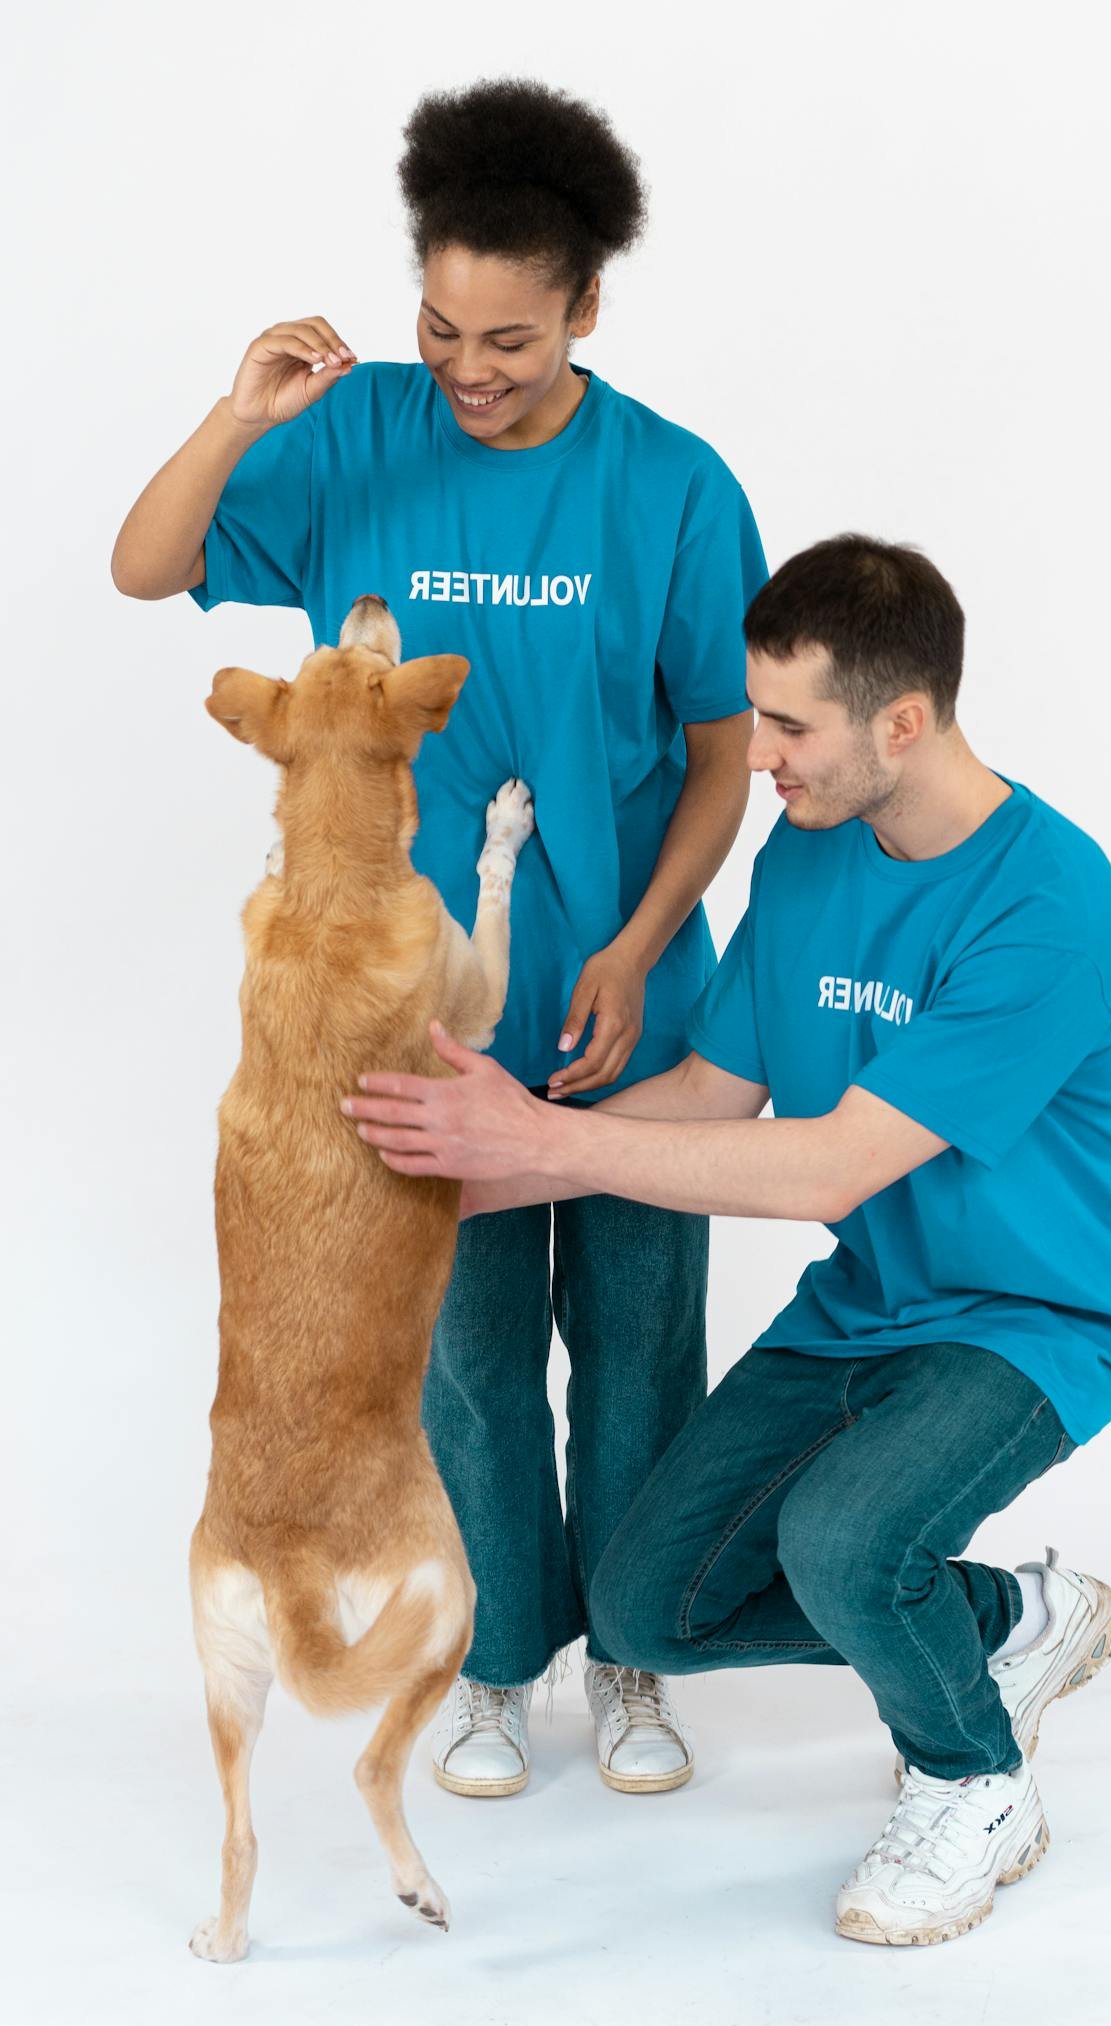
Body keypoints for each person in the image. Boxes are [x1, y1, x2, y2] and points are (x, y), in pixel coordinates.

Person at [344, 534, 1111, 1946]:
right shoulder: (808, 847)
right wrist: (475, 1173)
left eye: (786, 726)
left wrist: (541, 1142)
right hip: (866, 1306)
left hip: (1028, 1322)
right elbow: (714, 1094)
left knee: (843, 1543)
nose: (754, 757)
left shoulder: (1053, 907)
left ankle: (973, 1778)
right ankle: (1008, 1622)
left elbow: (828, 1164)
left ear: (898, 725)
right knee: (650, 1602)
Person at [111, 79, 766, 1800]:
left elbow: (717, 752)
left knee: (635, 1351)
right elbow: (143, 563)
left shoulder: (675, 488)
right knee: (466, 1366)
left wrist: (636, 943)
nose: (471, 370)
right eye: (441, 327)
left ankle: (632, 1655)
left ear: (586, 312)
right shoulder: (352, 437)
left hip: (630, 1021)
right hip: (417, 1033)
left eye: (511, 341)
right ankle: (496, 1661)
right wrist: (238, 410)